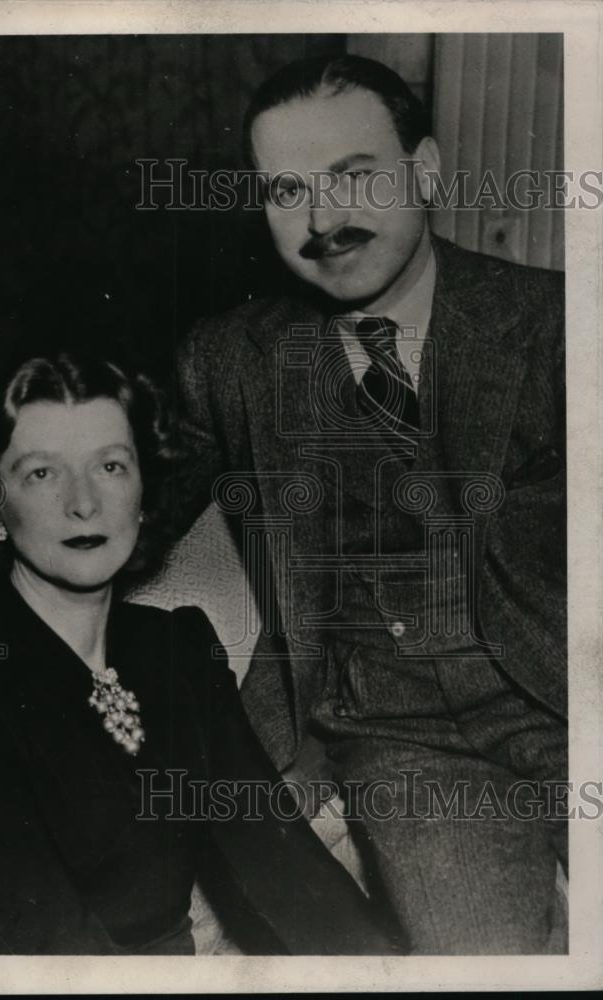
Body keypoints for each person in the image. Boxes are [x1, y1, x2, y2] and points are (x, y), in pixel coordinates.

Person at [176, 55, 567, 953]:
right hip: (399, 739)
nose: (322, 222)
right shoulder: (228, 358)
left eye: (353, 177)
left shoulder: (556, 326)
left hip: (566, 699)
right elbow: (116, 506)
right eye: (286, 191)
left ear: (424, 170)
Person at [0, 352, 404, 956]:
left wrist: (383, 975)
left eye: (110, 465)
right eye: (42, 474)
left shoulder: (177, 648)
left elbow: (276, 853)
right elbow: (54, 950)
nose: (84, 503)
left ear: (143, 490)